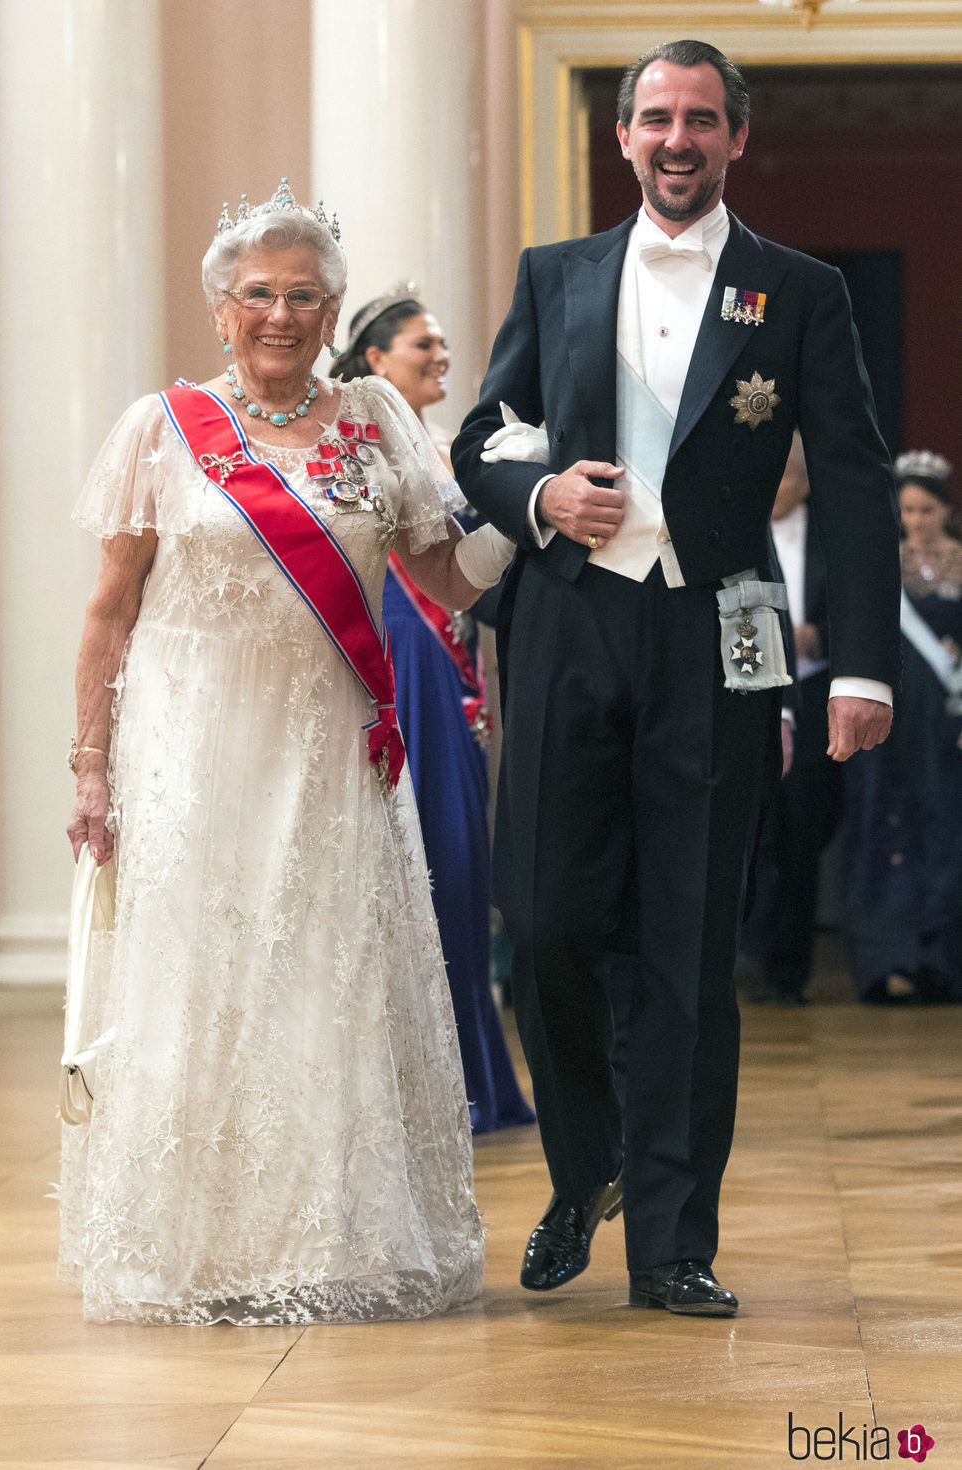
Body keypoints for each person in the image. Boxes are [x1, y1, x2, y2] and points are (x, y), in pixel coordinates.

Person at [451, 40, 901, 1317]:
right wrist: (539, 490)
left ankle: (670, 1242)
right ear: (624, 137)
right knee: (540, 923)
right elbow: (481, 434)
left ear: (735, 139)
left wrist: (859, 662)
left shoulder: (796, 290)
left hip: (721, 637)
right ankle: (583, 1165)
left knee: (687, 952)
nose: (676, 139)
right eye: (655, 118)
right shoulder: (556, 276)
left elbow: (856, 484)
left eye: (701, 119)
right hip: (565, 627)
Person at [60, 180, 513, 1325]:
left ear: (332, 310)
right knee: (203, 988)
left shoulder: (373, 418)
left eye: (302, 296)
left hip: (327, 756)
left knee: (326, 985)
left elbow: (446, 578)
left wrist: (534, 502)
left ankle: (329, 1241)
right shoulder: (161, 429)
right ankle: (201, 1250)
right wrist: (90, 764)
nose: (278, 314)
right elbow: (109, 613)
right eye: (256, 294)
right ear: (220, 311)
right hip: (194, 756)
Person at [331, 291, 534, 1135]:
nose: (441, 356)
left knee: (458, 868)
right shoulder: (361, 440)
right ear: (376, 359)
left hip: (448, 662)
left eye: (445, 343)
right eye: (424, 344)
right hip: (401, 659)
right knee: (421, 863)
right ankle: (412, 1091)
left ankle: (469, 1077)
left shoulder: (449, 448)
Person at [843, 451, 962, 1005]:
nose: (915, 520)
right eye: (907, 509)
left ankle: (939, 964)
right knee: (885, 830)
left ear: (946, 510)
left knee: (942, 832)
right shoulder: (883, 563)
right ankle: (888, 961)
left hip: (947, 725)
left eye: (925, 509)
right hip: (893, 722)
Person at [737, 432, 841, 1005]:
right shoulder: (734, 531)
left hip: (817, 697)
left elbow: (864, 610)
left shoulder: (831, 536)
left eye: (785, 474)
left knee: (804, 837)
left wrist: (815, 636)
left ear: (802, 480)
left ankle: (789, 971)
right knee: (750, 834)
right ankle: (747, 952)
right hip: (749, 697)